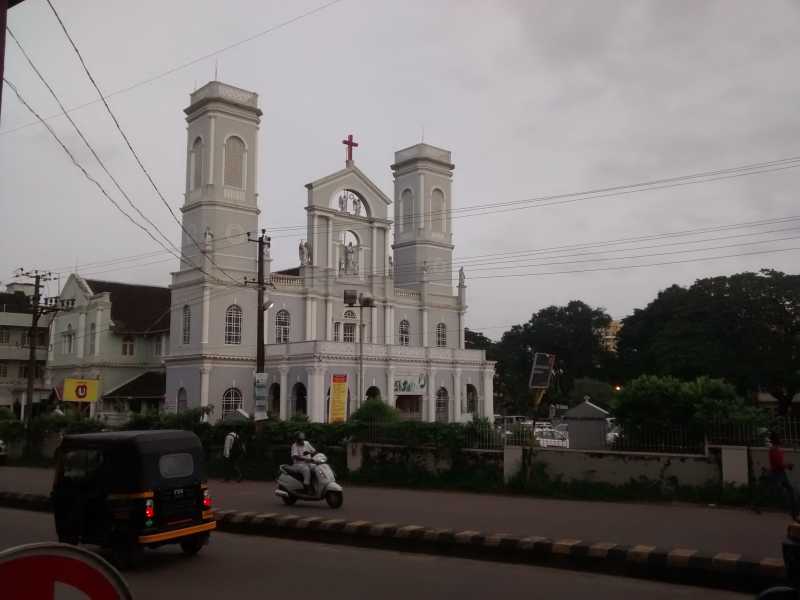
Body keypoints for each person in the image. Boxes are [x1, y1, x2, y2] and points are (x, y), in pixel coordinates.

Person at [753, 432, 799, 520]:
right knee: (773, 491)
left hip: (780, 473)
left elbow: (779, 463)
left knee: (788, 490)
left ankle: (794, 512)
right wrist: (788, 465)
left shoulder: (776, 449)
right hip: (776, 474)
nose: (781, 439)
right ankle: (793, 512)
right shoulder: (774, 450)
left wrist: (786, 465)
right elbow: (778, 464)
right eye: (779, 438)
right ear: (776, 440)